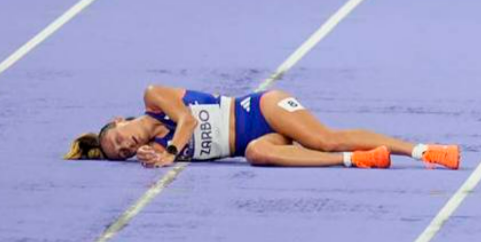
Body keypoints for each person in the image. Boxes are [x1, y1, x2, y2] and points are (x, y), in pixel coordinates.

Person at [65, 85, 460, 169]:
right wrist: (157, 159)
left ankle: (423, 150)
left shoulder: (154, 99)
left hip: (261, 110)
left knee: (323, 139)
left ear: (120, 120)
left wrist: (169, 153)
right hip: (255, 139)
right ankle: (357, 159)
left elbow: (187, 119)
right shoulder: (153, 152)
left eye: (120, 138)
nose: (128, 145)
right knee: (256, 154)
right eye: (123, 152)